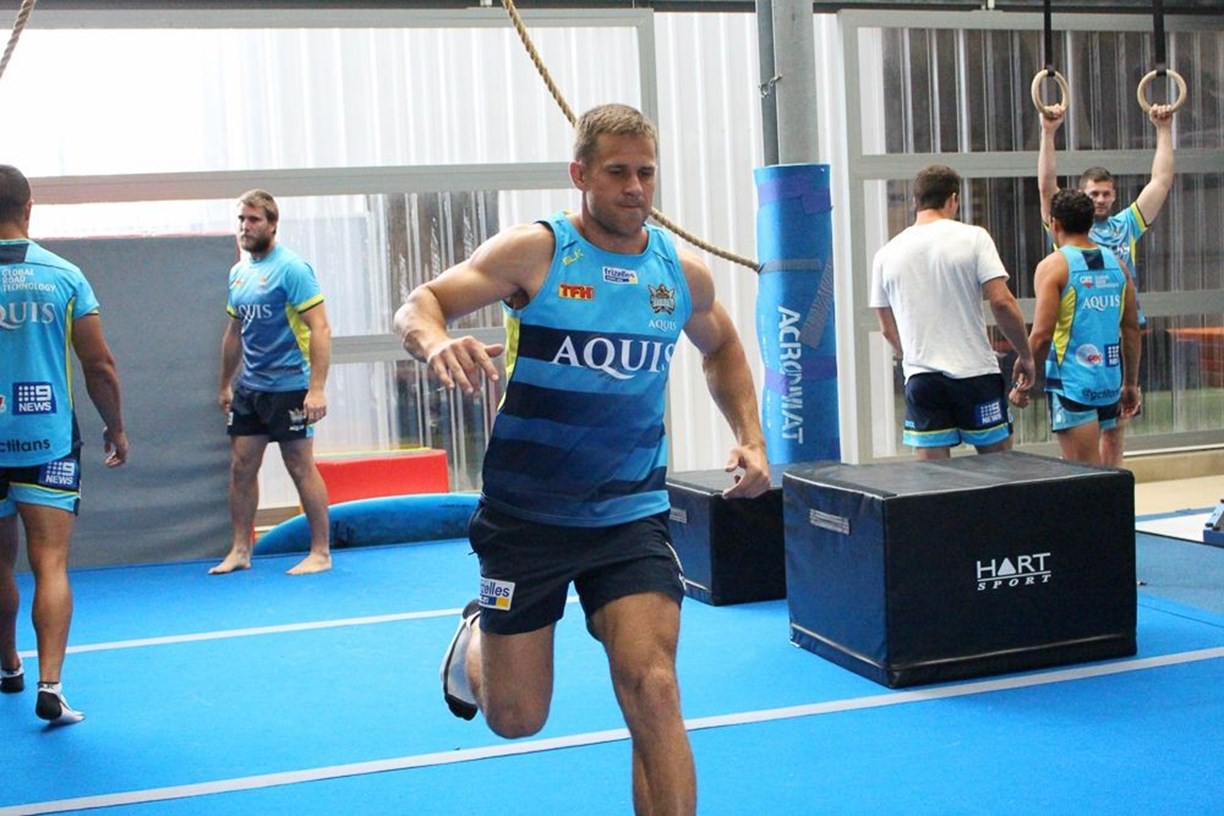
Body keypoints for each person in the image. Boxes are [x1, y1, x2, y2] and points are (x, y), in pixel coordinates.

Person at [394, 103, 769, 815]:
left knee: (653, 688)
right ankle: (476, 640)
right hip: (526, 518)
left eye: (646, 172)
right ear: (581, 175)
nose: (635, 187)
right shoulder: (536, 252)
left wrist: (751, 437)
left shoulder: (679, 275)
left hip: (630, 516)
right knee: (516, 718)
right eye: (618, 172)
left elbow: (720, 346)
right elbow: (421, 302)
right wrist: (437, 341)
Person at [0, 164, 129, 725]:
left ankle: (8, 666)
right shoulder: (65, 276)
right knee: (49, 562)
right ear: (29, 209)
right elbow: (99, 365)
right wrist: (115, 427)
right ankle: (50, 684)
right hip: (47, 440)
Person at [1038, 102, 1175, 465]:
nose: (1100, 199)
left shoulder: (1125, 226)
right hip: (1079, 339)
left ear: (1114, 196)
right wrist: (1048, 133)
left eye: (1106, 193)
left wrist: (1164, 129)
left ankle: (1112, 484)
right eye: (1093, 194)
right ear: (1082, 197)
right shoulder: (1067, 228)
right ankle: (1088, 483)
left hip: (1118, 336)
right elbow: (1047, 189)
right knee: (1081, 439)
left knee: (1115, 428)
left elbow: (1161, 182)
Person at [870, 164, 1036, 460]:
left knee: (933, 479)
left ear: (915, 202)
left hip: (922, 378)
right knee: (999, 471)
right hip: (974, 373)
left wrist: (914, 354)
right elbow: (1002, 302)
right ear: (953, 199)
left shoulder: (886, 254)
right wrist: (1025, 355)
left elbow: (886, 327)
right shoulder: (974, 238)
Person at [212, 190, 332, 576]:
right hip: (251, 387)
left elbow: (320, 328)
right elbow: (234, 333)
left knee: (299, 464)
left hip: (291, 384)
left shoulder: (292, 269)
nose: (245, 227)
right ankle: (240, 550)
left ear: (272, 224)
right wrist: (225, 384)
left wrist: (316, 388)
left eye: (254, 220)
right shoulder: (238, 272)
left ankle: (321, 552)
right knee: (241, 466)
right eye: (241, 220)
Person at [1012, 190, 1141, 465]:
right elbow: (1131, 329)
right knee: (1105, 469)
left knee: (1084, 475)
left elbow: (1042, 335)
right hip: (1109, 383)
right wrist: (1130, 383)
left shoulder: (1054, 266)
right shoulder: (1118, 266)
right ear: (1091, 222)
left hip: (1072, 384)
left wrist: (1023, 383)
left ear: (1054, 222)